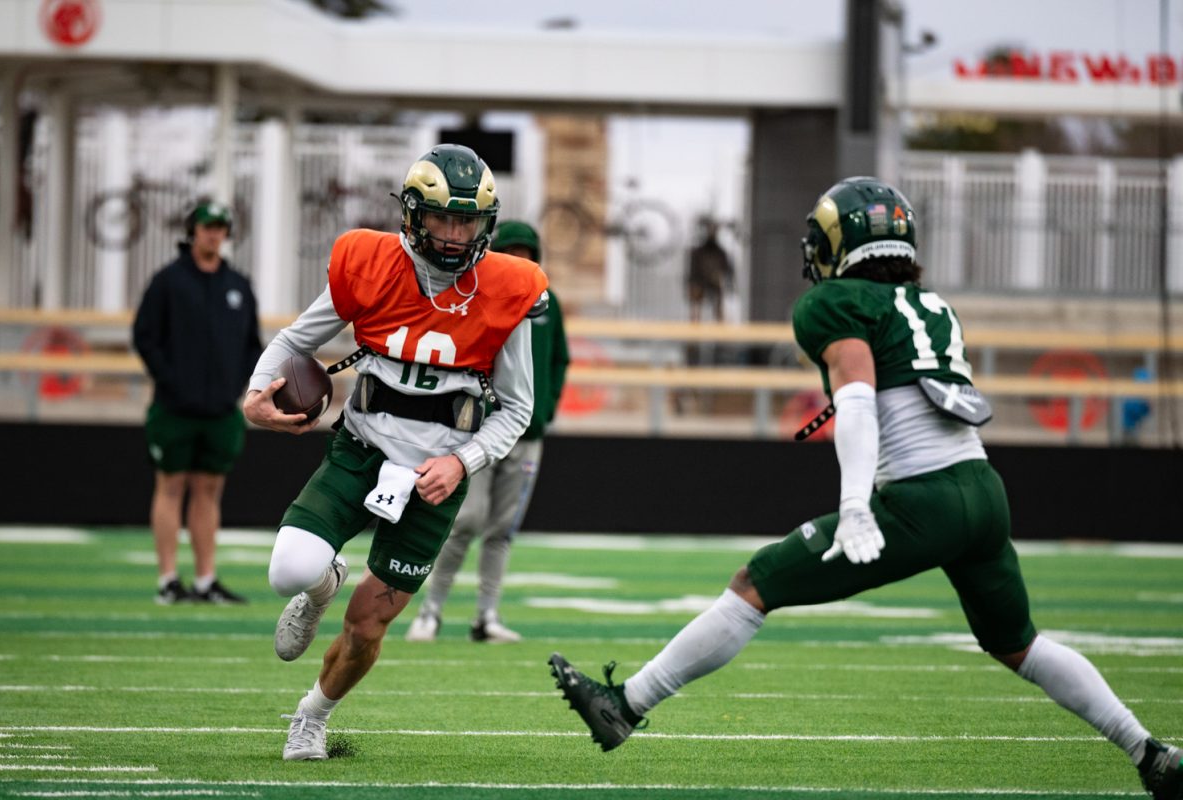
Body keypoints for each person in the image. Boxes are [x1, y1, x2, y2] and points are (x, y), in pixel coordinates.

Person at [548, 177, 1182, 800]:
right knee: (1020, 645)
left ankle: (626, 705)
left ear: (838, 244)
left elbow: (857, 401)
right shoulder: (932, 304)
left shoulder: (836, 303)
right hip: (983, 490)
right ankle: (1148, 751)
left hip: (920, 499)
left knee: (754, 583)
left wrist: (855, 507)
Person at [242, 144, 548, 762]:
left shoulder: (507, 288)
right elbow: (295, 339)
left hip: (435, 478)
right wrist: (255, 394)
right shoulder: (371, 263)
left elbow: (517, 409)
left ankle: (312, 716)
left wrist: (462, 462)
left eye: (468, 221)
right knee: (289, 572)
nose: (457, 235)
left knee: (365, 628)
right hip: (360, 451)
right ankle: (323, 583)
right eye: (443, 218)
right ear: (413, 214)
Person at [405, 220, 570, 644]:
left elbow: (559, 361)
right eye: (511, 251)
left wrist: (544, 411)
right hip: (480, 431)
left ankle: (486, 616)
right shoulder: (478, 298)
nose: (519, 259)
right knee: (466, 521)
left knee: (501, 529)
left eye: (526, 253)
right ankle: (430, 612)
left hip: (528, 436)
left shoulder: (549, 306)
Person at [132, 200, 260, 605]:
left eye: (220, 227)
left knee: (210, 489)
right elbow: (145, 336)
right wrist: (171, 380)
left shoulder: (238, 285)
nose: (214, 233)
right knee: (170, 486)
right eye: (207, 226)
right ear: (193, 230)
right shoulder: (168, 281)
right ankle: (168, 578)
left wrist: (235, 386)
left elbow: (251, 346)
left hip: (220, 409)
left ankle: (206, 579)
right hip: (174, 407)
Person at [685, 216, 733, 324]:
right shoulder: (697, 252)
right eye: (709, 230)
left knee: (719, 301)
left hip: (715, 283)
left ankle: (720, 326)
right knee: (695, 293)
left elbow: (726, 270)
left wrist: (718, 277)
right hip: (699, 282)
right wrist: (695, 284)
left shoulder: (721, 253)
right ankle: (694, 327)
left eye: (714, 230)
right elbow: (693, 272)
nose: (711, 233)